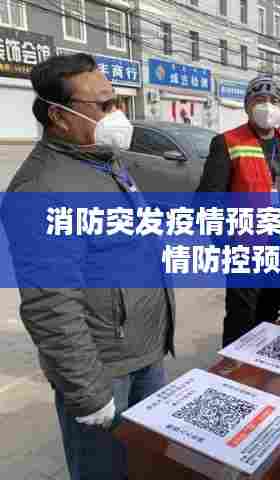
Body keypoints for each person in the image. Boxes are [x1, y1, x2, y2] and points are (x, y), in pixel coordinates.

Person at [2, 54, 175, 480]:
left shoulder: (102, 158)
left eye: (117, 102)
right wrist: (89, 393)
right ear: (59, 116)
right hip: (103, 371)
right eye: (103, 105)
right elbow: (50, 305)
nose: (116, 114)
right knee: (105, 471)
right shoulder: (40, 189)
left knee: (148, 467)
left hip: (145, 352)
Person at [197, 75, 280, 347]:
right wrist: (226, 243)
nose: (267, 106)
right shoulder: (227, 142)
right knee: (241, 318)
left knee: (270, 310)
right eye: (259, 100)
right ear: (247, 106)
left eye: (273, 100)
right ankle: (234, 368)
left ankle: (261, 363)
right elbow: (207, 202)